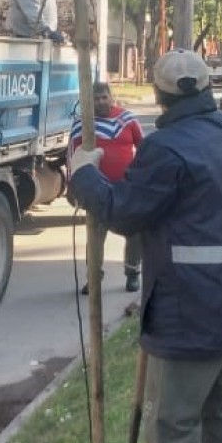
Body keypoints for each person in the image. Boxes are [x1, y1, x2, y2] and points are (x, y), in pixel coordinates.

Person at [69, 49, 222, 443]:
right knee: (217, 411)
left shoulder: (166, 148)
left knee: (174, 425)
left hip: (191, 311)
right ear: (208, 88)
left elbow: (124, 212)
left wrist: (84, 176)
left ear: (159, 96)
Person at [68, 82, 144, 293]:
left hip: (127, 188)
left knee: (135, 232)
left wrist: (144, 178)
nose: (101, 102)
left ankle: (132, 273)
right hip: (98, 190)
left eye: (104, 97)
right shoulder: (81, 124)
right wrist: (72, 186)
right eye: (96, 98)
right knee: (95, 235)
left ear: (111, 97)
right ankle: (94, 278)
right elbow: (72, 156)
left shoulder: (127, 119)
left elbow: (144, 149)